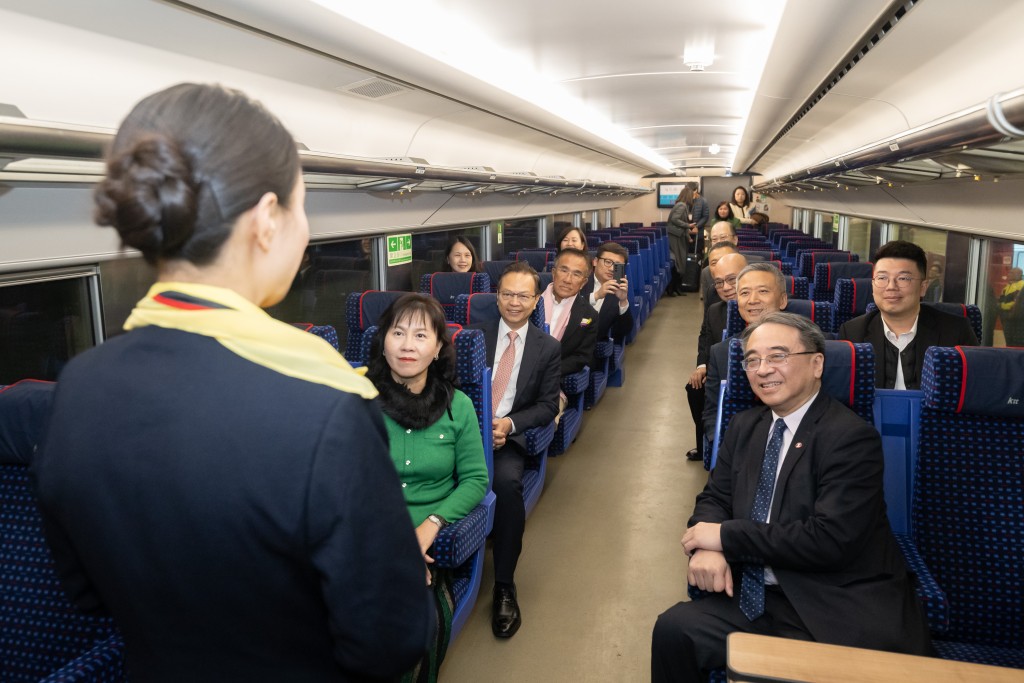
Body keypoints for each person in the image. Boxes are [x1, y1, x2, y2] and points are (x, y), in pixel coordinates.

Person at [32, 83, 433, 681]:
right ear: (266, 220)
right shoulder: (322, 405)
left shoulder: (78, 386)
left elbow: (86, 593)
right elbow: (391, 639)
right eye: (302, 207)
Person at [653, 312, 931, 682]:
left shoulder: (849, 437)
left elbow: (829, 540)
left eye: (778, 356)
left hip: (831, 602)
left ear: (817, 364)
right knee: (674, 629)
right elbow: (715, 498)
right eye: (753, 360)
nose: (763, 369)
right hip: (754, 594)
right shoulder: (744, 426)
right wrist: (708, 547)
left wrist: (725, 537)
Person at [366, 294, 488, 682]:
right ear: (382, 341)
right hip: (364, 536)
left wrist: (433, 523)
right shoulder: (356, 399)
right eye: (397, 333)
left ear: (437, 349)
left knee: (412, 626)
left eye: (420, 335)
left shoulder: (459, 406)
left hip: (430, 544)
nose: (406, 345)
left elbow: (476, 480)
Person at [469, 261, 561, 639]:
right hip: (465, 432)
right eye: (507, 294)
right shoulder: (473, 336)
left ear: (536, 299)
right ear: (497, 296)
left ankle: (504, 584)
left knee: (507, 486)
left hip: (507, 437)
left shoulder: (547, 347)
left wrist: (508, 425)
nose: (514, 302)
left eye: (523, 295)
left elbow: (546, 404)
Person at [838, 240, 977, 389]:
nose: (891, 287)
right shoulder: (852, 332)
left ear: (923, 287)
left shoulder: (956, 332)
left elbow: (973, 392)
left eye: (903, 278)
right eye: (882, 278)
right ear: (872, 285)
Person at [702, 263, 789, 446]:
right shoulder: (722, 352)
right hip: (740, 447)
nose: (752, 300)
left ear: (782, 300)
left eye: (763, 291)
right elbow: (712, 414)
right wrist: (723, 449)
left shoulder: (815, 345)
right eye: (744, 293)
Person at [685, 253, 748, 461]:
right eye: (719, 282)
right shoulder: (715, 311)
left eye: (733, 279)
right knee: (695, 387)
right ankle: (708, 444)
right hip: (720, 371)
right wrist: (703, 365)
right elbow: (707, 340)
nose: (726, 287)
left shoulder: (761, 307)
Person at [542, 248, 600, 376]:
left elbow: (581, 357)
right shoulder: (529, 302)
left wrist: (549, 371)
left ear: (584, 282)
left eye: (576, 274)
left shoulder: (589, 315)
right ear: (553, 273)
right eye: (564, 270)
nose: (568, 279)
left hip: (555, 379)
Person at [581, 241, 634, 343]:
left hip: (593, 349)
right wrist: (596, 296)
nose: (612, 269)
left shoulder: (618, 293)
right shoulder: (581, 281)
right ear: (595, 261)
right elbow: (569, 306)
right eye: (608, 262)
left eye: (618, 265)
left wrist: (623, 301)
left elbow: (623, 332)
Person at [667, 187, 695, 296]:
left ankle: (675, 288)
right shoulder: (682, 206)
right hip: (675, 237)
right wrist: (688, 225)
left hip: (676, 235)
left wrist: (688, 236)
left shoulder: (680, 205)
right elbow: (675, 220)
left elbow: (679, 222)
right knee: (678, 262)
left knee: (679, 262)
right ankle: (672, 289)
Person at [999, 267, 1024, 346]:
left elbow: (1017, 303)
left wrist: (1002, 306)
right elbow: (1002, 298)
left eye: (1012, 273)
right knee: (1008, 340)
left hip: (1015, 317)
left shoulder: (1021, 285)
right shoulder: (1007, 286)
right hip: (1006, 316)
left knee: (1015, 341)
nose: (1009, 274)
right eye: (1009, 272)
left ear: (1019, 274)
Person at [688, 183, 710, 259]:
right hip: (685, 232)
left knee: (698, 253)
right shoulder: (684, 201)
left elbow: (705, 216)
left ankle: (697, 269)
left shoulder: (703, 201)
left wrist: (697, 226)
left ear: (696, 190)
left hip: (698, 232)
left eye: (692, 191)